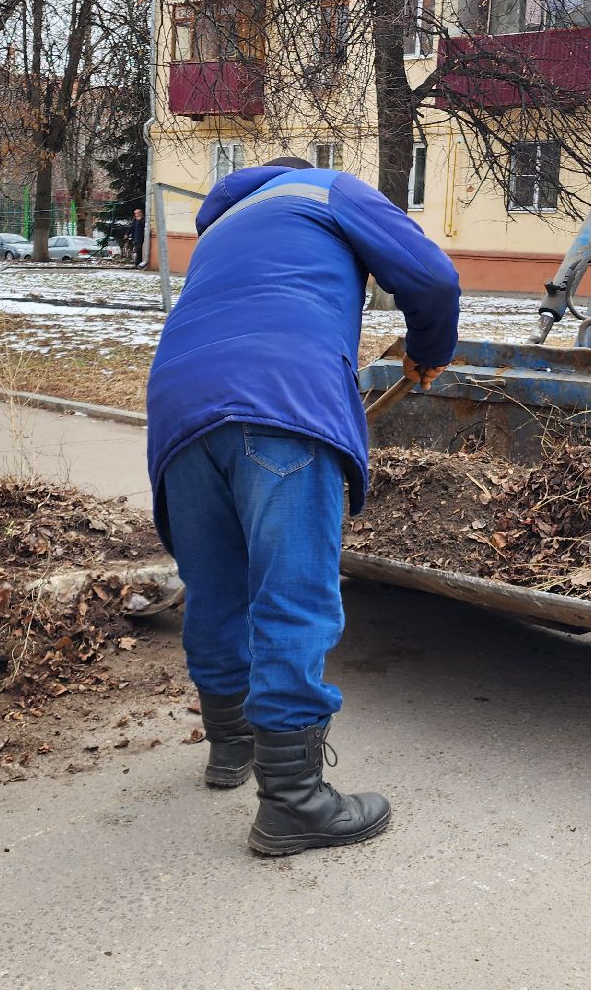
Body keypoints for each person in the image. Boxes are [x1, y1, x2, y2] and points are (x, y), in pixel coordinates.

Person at [147, 157, 459, 856]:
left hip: (177, 406)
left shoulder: (226, 222)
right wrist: (428, 347)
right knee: (293, 597)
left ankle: (231, 748)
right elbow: (433, 277)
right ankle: (293, 802)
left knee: (217, 586)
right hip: (282, 399)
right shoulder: (327, 188)